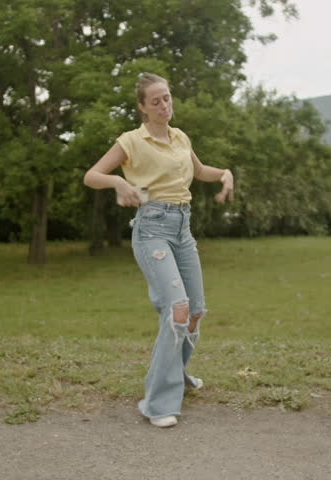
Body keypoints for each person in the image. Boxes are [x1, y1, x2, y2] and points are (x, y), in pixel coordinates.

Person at [83, 72, 235, 428]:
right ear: (143, 107)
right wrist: (118, 182)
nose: (164, 105)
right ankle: (158, 403)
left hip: (182, 228)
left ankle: (175, 375)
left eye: (167, 98)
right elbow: (91, 176)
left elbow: (200, 171)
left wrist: (224, 173)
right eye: (155, 101)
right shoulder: (131, 141)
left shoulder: (180, 137)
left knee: (195, 311)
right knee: (177, 309)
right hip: (152, 229)